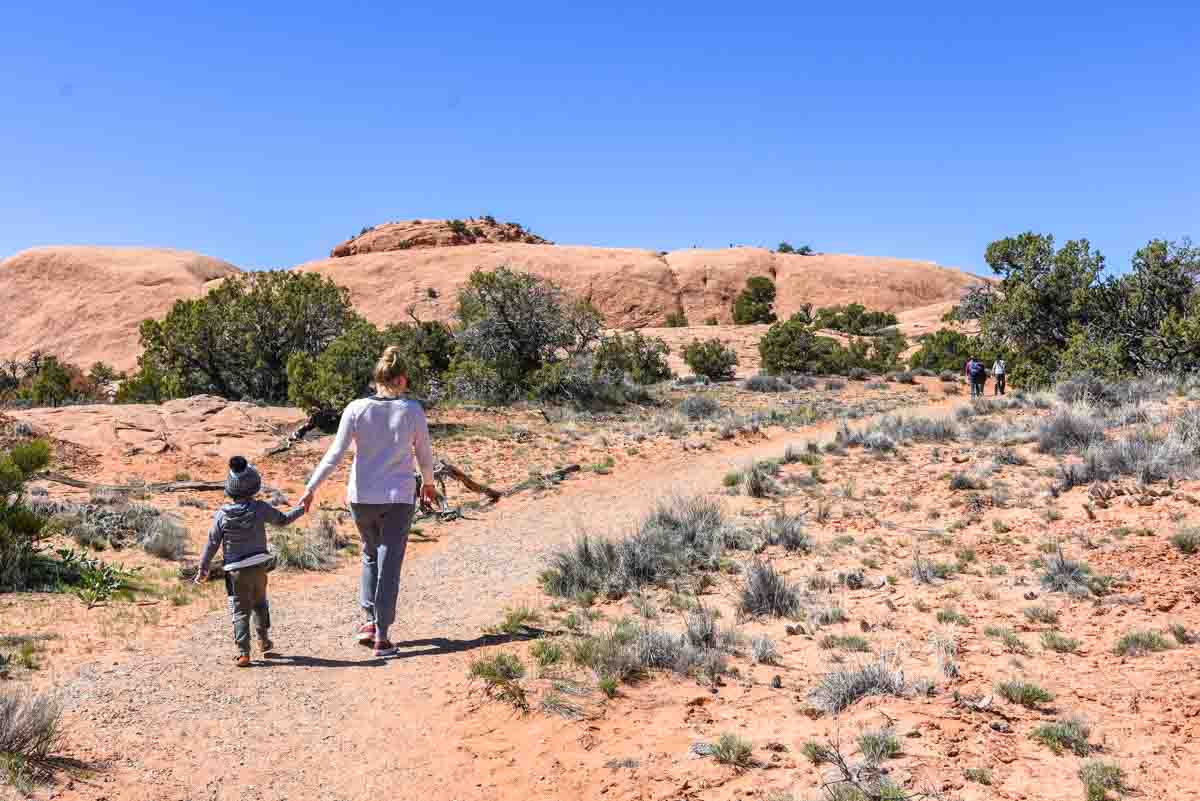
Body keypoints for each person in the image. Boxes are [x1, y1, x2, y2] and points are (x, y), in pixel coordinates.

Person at [299, 346, 437, 658]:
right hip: (398, 498)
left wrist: (311, 487)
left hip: (361, 498)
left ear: (377, 379)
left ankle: (369, 621)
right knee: (390, 563)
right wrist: (428, 483)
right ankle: (383, 638)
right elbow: (424, 454)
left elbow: (335, 453)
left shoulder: (356, 408)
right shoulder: (412, 410)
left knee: (370, 554)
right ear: (401, 380)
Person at [196, 456, 306, 667]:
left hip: (235, 572)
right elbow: (283, 521)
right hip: (259, 567)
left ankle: (243, 652)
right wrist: (302, 508)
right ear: (254, 485)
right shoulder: (260, 508)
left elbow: (211, 543)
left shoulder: (222, 515)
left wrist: (203, 568)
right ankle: (264, 641)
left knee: (239, 610)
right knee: (260, 603)